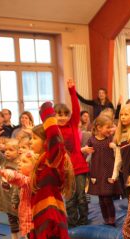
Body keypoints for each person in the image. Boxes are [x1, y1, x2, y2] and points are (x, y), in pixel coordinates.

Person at [23, 104, 76, 239]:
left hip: (53, 219)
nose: (30, 143)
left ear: (45, 141)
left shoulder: (53, 160)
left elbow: (56, 138)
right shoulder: (40, 162)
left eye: (34, 139)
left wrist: (47, 112)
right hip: (40, 221)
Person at [56, 79, 89, 227]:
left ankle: (83, 219)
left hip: (79, 166)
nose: (62, 117)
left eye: (64, 114)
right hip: (64, 168)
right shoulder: (53, 130)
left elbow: (76, 108)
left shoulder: (72, 123)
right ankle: (72, 221)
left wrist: (72, 91)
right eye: (58, 114)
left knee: (81, 196)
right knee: (69, 197)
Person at [82, 115, 121, 226]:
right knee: (101, 199)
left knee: (108, 198)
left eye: (110, 127)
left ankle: (112, 219)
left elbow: (117, 147)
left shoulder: (110, 139)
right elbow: (86, 151)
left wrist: (114, 146)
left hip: (108, 172)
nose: (110, 130)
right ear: (99, 128)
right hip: (97, 172)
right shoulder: (92, 140)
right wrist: (84, 150)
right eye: (107, 127)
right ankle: (105, 218)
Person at [0, 133, 21, 239]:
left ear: (18, 152)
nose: (7, 152)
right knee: (11, 218)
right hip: (6, 195)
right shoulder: (4, 161)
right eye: (6, 149)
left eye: (11, 150)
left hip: (17, 196)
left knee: (22, 219)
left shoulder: (19, 163)